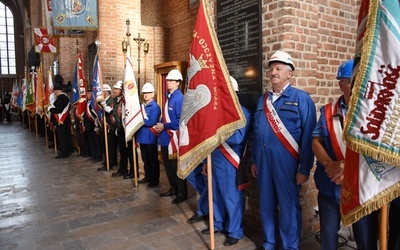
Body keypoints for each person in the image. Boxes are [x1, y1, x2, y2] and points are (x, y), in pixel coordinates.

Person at [251, 50, 317, 250]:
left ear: (290, 73)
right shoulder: (262, 101)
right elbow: (256, 133)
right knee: (266, 204)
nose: (274, 72)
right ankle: (269, 242)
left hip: (288, 163)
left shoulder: (301, 98)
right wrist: (254, 160)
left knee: (288, 206)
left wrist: (304, 169)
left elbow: (308, 138)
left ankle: (290, 246)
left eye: (279, 68)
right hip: (263, 162)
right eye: (271, 69)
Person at [312, 59, 378, 250]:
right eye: (350, 80)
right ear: (341, 84)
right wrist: (328, 164)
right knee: (328, 238)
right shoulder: (328, 111)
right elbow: (316, 141)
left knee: (366, 240)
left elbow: (374, 151)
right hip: (330, 187)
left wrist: (342, 166)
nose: (356, 85)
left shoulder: (373, 114)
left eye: (360, 80)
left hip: (361, 190)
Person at [201, 76, 252, 247]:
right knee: (215, 195)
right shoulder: (217, 113)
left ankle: (234, 231)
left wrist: (216, 130)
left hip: (231, 162)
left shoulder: (242, 113)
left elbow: (238, 138)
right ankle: (218, 223)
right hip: (215, 159)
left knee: (232, 199)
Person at [154, 69, 187, 204]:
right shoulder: (168, 97)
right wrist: (161, 123)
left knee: (176, 167)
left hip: (173, 138)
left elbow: (179, 121)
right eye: (167, 80)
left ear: (178, 83)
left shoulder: (179, 98)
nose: (168, 82)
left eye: (171, 80)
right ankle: (173, 188)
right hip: (165, 137)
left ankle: (181, 192)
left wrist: (164, 125)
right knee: (168, 166)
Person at [135, 82, 161, 187]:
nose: (145, 95)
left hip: (150, 137)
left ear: (152, 94)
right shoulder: (142, 106)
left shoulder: (155, 107)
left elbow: (151, 122)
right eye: (144, 93)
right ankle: (148, 176)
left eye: (148, 93)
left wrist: (139, 120)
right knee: (145, 159)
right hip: (142, 136)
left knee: (152, 159)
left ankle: (154, 179)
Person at [110, 80, 135, 179]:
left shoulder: (126, 100)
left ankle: (133, 171)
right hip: (120, 128)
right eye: (114, 89)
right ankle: (123, 169)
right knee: (123, 151)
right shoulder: (116, 100)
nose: (114, 90)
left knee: (130, 151)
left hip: (127, 128)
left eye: (116, 89)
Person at [97, 84, 118, 171]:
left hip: (110, 127)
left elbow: (113, 114)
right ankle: (109, 160)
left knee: (110, 147)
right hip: (103, 126)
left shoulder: (111, 101)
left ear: (107, 92)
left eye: (103, 92)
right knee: (106, 147)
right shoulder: (102, 102)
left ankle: (109, 163)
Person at [49, 83, 73, 158]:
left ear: (57, 91)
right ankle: (66, 150)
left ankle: (64, 152)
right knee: (64, 136)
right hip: (64, 120)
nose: (54, 93)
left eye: (55, 92)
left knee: (62, 137)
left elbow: (59, 109)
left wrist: (51, 109)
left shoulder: (63, 98)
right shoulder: (62, 97)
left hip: (62, 120)